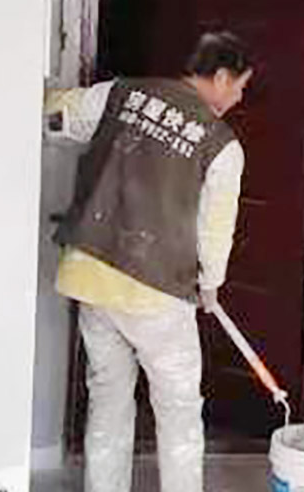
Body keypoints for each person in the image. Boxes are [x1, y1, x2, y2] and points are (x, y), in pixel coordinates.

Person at [43, 32, 253, 492]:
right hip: (157, 291)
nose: (239, 98)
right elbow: (215, 226)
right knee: (178, 410)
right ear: (220, 76)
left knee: (108, 399)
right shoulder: (222, 145)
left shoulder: (119, 94)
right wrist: (211, 283)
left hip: (92, 275)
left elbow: (55, 115)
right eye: (240, 87)